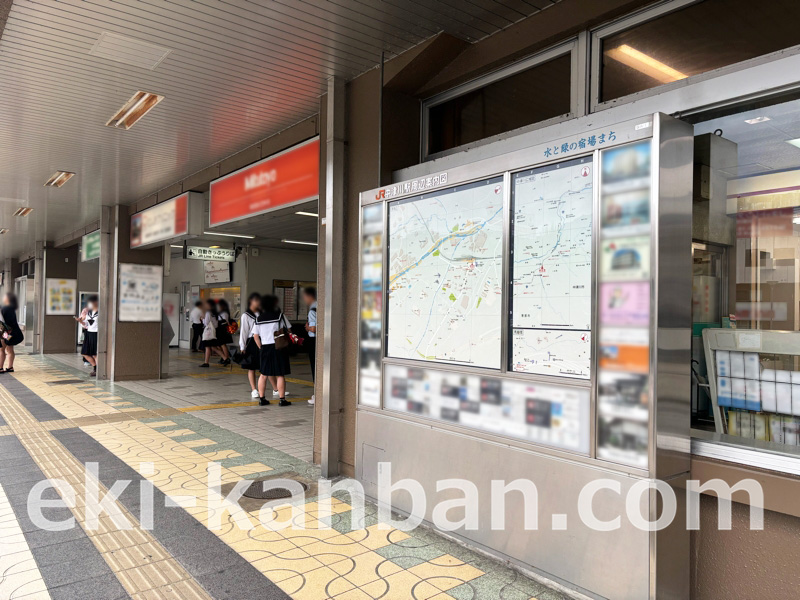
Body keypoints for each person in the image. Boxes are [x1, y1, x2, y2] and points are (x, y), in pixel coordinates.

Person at [253, 294, 291, 407]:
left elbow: (255, 336)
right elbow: (288, 329)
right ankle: (282, 399)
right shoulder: (280, 316)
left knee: (263, 374)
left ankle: (262, 398)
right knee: (280, 374)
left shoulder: (258, 319)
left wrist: (261, 348)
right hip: (278, 347)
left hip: (265, 347)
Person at [239, 292, 261, 399]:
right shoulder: (245, 315)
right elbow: (244, 332)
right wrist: (242, 347)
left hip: (262, 341)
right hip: (251, 342)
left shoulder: (262, 314)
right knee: (251, 367)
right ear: (251, 302)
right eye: (256, 301)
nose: (258, 303)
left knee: (263, 366)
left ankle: (274, 389)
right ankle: (254, 389)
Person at [75, 295, 99, 376]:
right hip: (89, 333)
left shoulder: (102, 312)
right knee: (85, 353)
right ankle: (95, 367)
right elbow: (86, 324)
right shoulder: (88, 312)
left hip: (97, 333)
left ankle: (97, 370)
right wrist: (80, 321)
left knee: (95, 353)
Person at [0, 292, 24, 373]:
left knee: (1, 349)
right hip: (10, 333)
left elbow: (6, 323)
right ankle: (10, 367)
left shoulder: (6, 308)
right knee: (9, 349)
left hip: (5, 333)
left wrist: (6, 335)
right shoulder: (10, 308)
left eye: (5, 297)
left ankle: (0, 368)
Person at [199, 300, 225, 367]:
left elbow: (206, 323)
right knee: (212, 347)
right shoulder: (215, 312)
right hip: (214, 331)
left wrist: (202, 318)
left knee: (208, 346)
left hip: (208, 332)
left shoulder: (208, 312)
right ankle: (225, 358)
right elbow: (216, 323)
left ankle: (206, 362)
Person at [302, 287, 317, 406]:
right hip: (322, 341)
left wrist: (308, 328)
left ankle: (317, 394)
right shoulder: (322, 305)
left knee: (315, 367)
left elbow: (314, 328)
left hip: (314, 341)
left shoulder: (313, 310)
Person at [215, 298, 232, 365]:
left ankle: (226, 358)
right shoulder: (222, 313)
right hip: (221, 330)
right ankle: (224, 357)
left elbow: (225, 322)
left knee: (223, 345)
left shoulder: (224, 313)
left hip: (222, 330)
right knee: (220, 345)